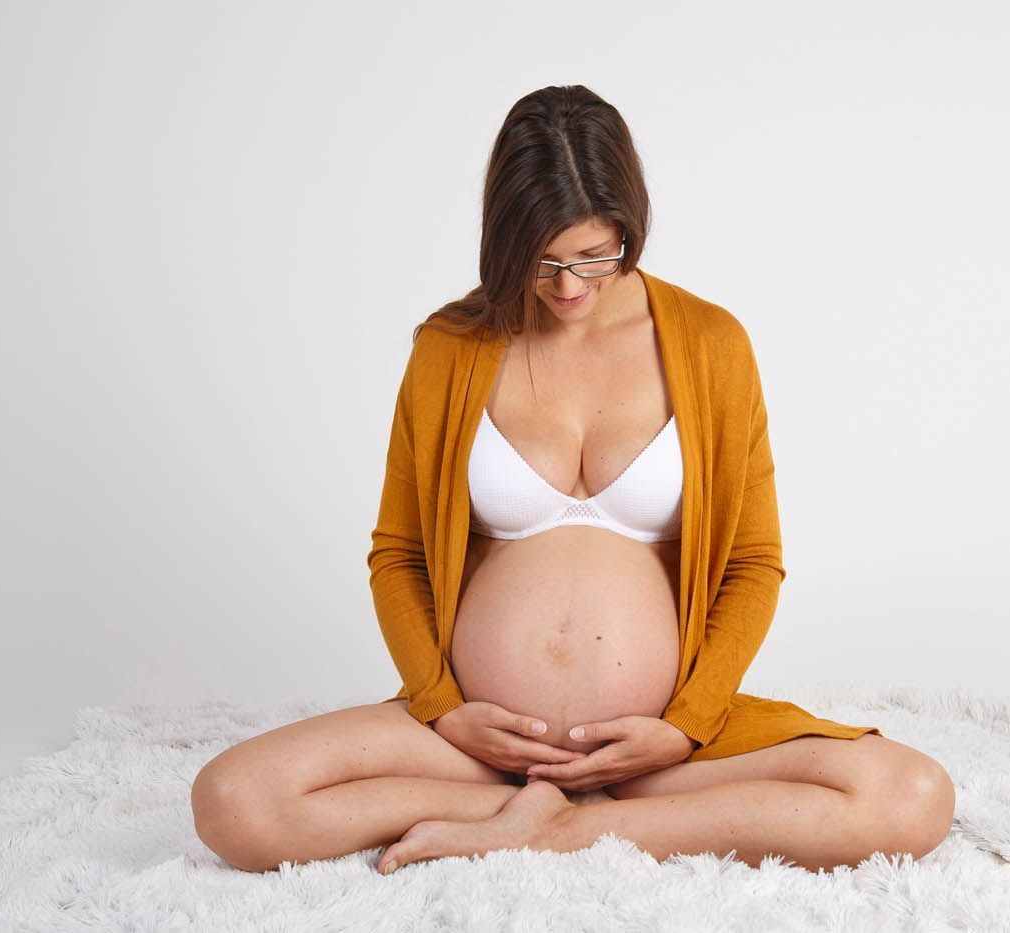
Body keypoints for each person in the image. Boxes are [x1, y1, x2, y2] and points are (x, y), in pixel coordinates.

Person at [191, 85, 955, 877]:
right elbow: (400, 554)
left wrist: (685, 724)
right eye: (543, 260)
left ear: (630, 226)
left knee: (911, 795)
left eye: (596, 256)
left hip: (656, 748)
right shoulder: (447, 349)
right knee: (234, 800)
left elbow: (753, 562)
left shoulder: (712, 344)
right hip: (478, 748)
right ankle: (517, 806)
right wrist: (444, 710)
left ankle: (570, 828)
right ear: (505, 237)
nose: (568, 286)